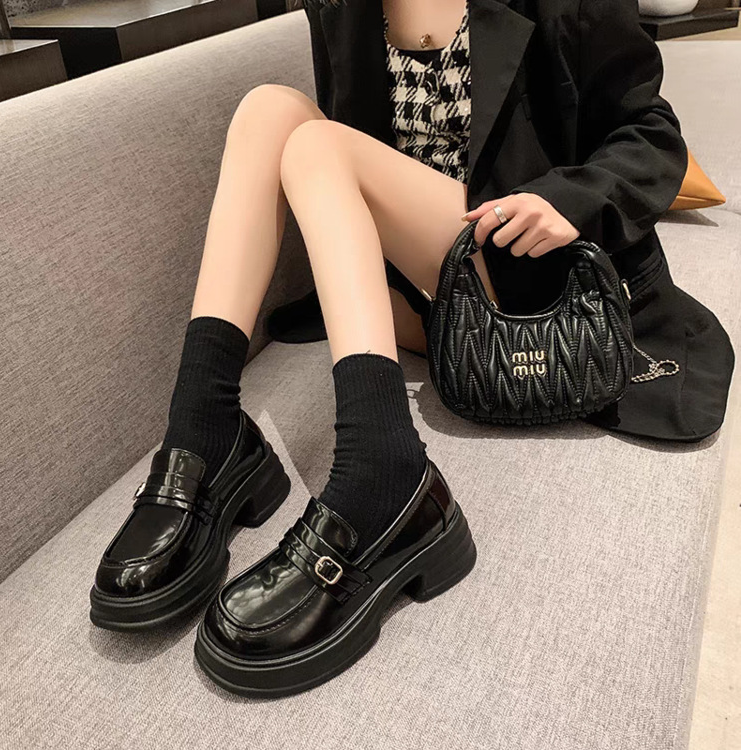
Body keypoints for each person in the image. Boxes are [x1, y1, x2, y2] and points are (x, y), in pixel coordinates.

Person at [89, 0, 734, 696]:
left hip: (529, 281)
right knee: (266, 109)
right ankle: (205, 427)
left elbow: (651, 132)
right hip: (425, 295)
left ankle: (384, 470)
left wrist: (568, 198)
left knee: (316, 146)